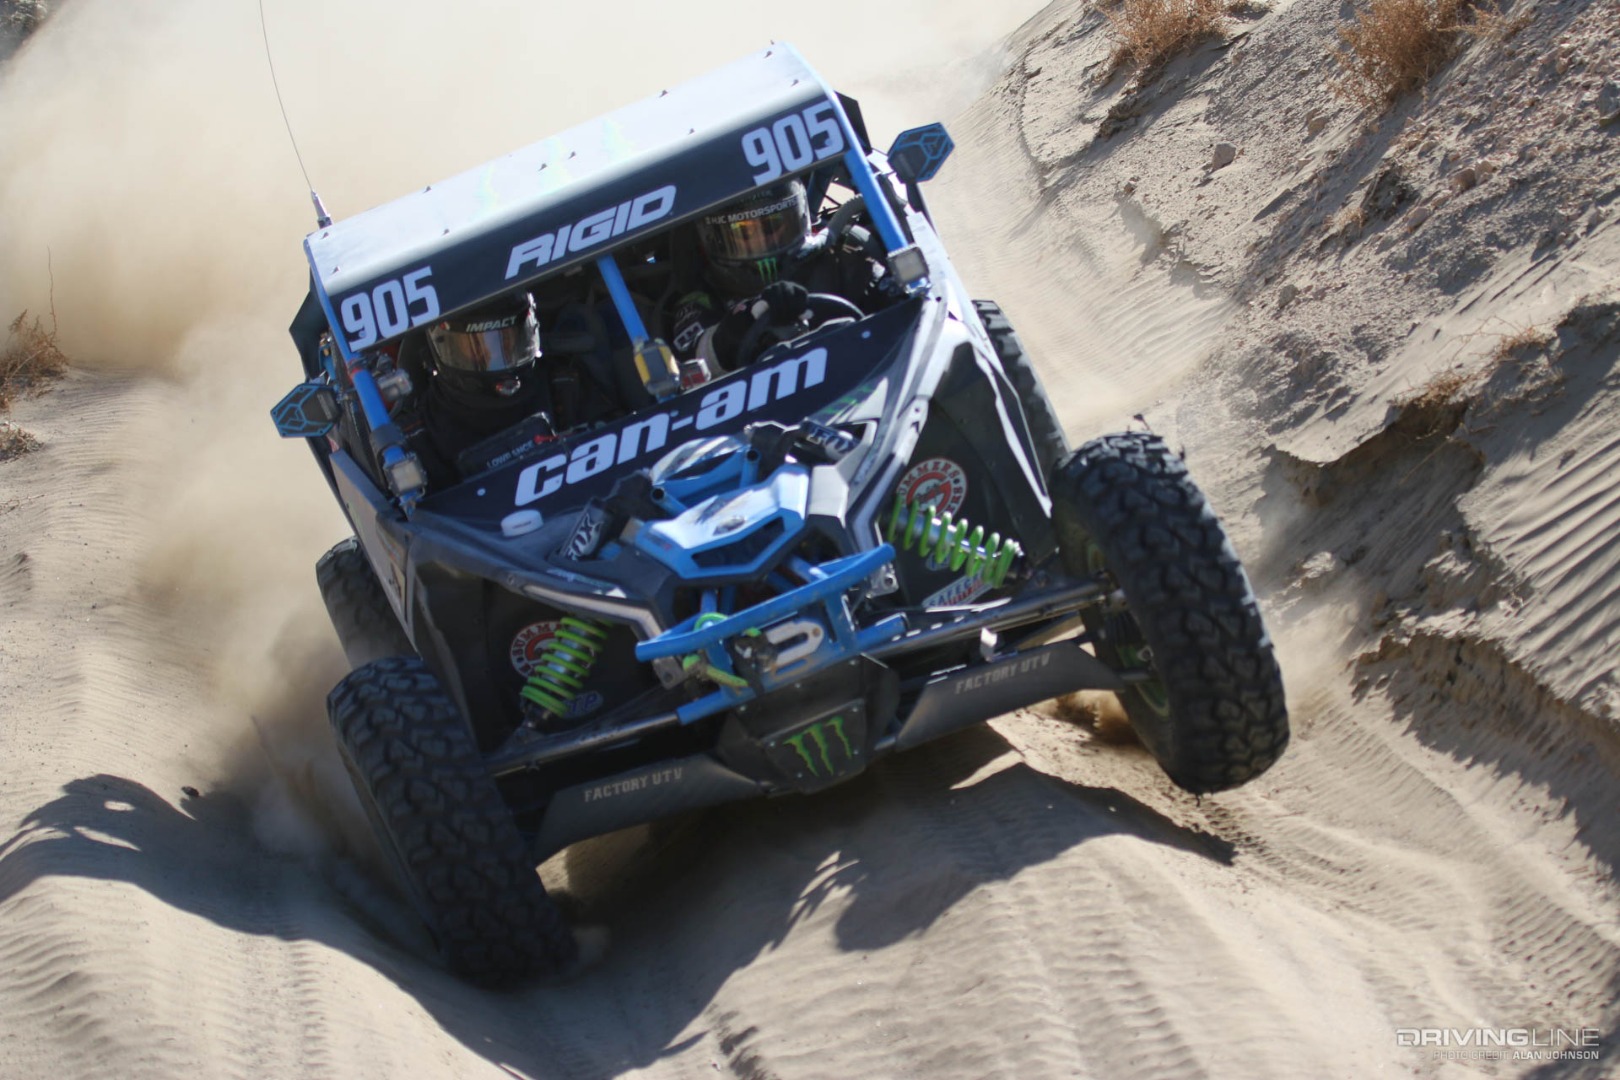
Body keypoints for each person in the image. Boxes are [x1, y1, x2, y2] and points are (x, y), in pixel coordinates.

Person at [667, 179, 885, 372]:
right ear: (714, 240)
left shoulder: (840, 260)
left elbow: (894, 304)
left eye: (772, 227)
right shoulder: (701, 299)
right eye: (743, 232)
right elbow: (692, 361)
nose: (761, 242)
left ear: (798, 218)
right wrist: (742, 322)